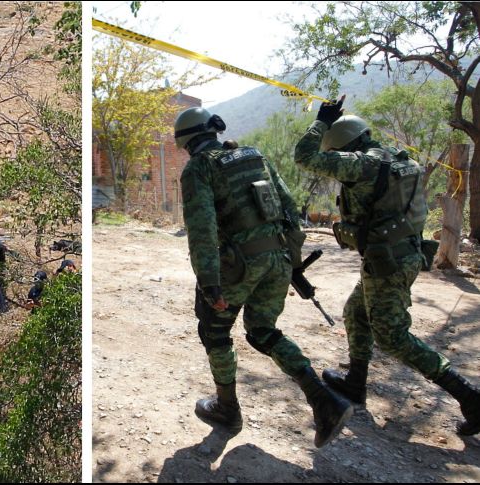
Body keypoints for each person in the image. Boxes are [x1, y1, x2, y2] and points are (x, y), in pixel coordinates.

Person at [294, 95, 480, 436]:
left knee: (393, 337)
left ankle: (470, 397)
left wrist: (321, 120)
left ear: (344, 147)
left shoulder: (362, 165)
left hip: (388, 263)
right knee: (356, 312)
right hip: (400, 254)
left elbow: (303, 156)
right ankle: (356, 382)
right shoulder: (396, 160)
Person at [175, 106, 352, 448]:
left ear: (186, 142)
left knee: (214, 331)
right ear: (213, 131)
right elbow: (288, 207)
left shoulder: (198, 168)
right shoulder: (254, 155)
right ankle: (325, 401)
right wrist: (291, 261)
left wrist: (210, 282)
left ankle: (227, 409)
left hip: (240, 265)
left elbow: (202, 230)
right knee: (263, 331)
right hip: (279, 258)